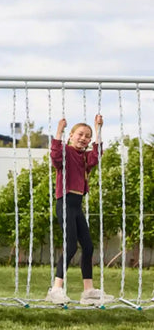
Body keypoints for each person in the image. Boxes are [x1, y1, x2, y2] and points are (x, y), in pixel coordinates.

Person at [45, 115, 114, 306]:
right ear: (71, 136)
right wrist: (59, 130)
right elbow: (55, 156)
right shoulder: (65, 152)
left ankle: (88, 291)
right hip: (65, 203)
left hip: (76, 205)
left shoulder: (84, 158)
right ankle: (56, 289)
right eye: (80, 134)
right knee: (71, 246)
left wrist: (98, 128)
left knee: (88, 246)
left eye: (87, 136)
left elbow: (96, 156)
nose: (84, 138)